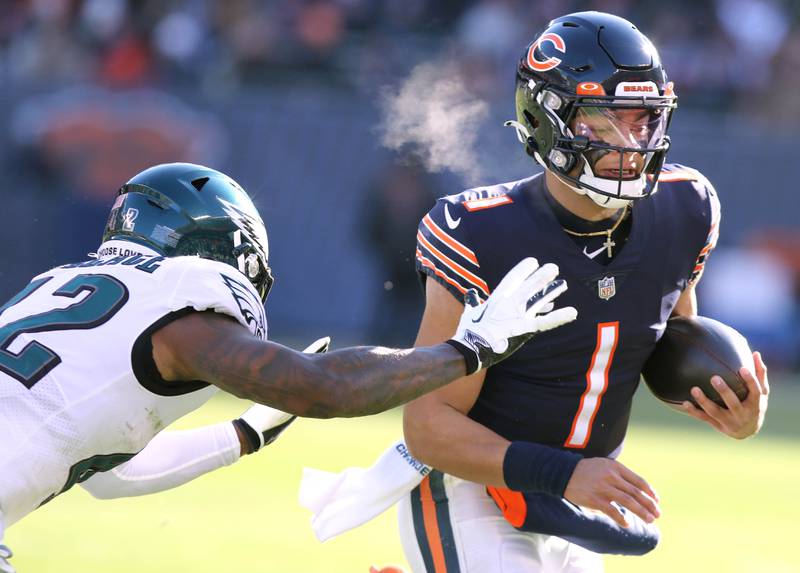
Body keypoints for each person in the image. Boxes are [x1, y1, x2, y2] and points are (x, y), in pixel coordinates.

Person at [0, 162, 579, 573]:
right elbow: (321, 387)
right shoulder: (181, 292)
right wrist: (468, 350)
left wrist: (244, 434)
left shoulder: (51, 288)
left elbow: (107, 471)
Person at [399, 11, 769, 572]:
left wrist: (727, 405)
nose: (630, 144)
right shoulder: (478, 231)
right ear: (545, 120)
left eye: (642, 120)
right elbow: (428, 424)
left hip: (581, 496)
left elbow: (668, 347)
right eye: (602, 122)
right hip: (473, 485)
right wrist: (564, 473)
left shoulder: (686, 208)